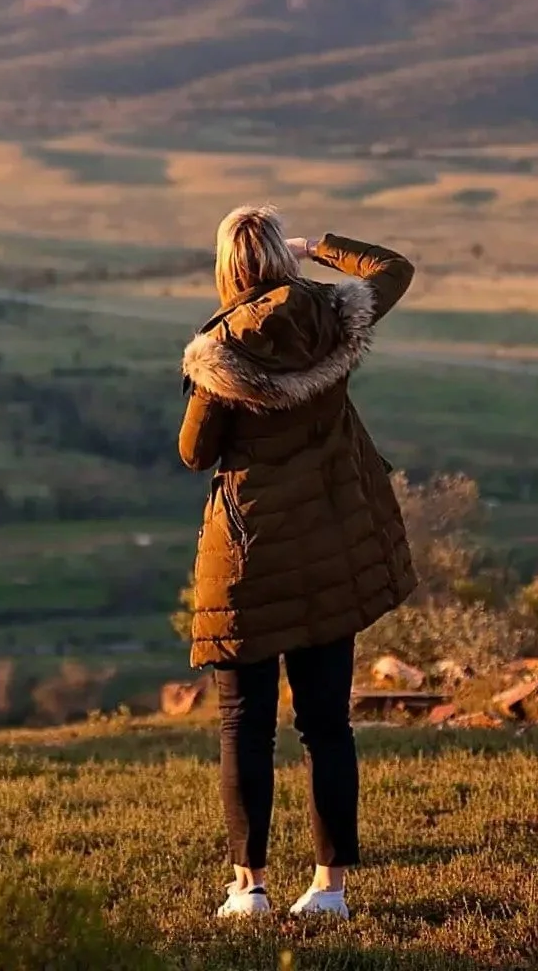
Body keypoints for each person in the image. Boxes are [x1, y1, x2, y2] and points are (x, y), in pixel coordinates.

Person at [177, 205, 417, 921]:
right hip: (330, 552)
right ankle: (330, 889)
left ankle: (249, 887)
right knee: (326, 725)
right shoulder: (333, 314)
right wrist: (319, 249)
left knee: (244, 723)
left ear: (226, 266)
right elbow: (392, 269)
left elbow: (195, 454)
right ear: (282, 253)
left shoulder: (219, 349)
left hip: (250, 562)